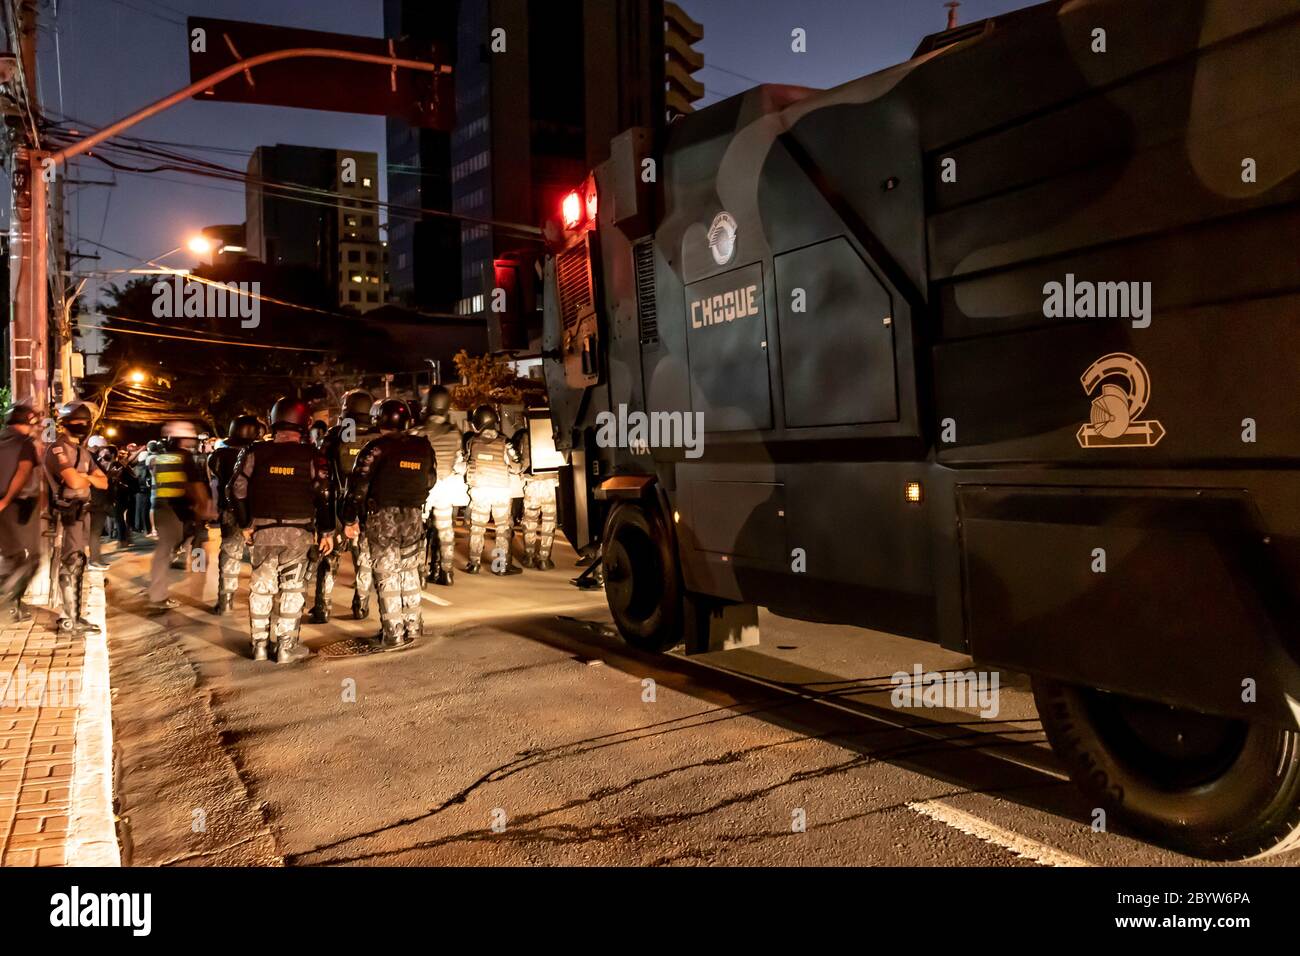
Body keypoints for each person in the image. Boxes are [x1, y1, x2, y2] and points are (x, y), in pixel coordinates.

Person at [229, 399, 333, 663]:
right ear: (305, 422)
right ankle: (286, 647)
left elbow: (236, 489)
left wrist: (244, 525)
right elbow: (325, 493)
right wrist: (328, 531)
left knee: (261, 588)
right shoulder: (312, 454)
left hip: (263, 531)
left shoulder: (254, 451)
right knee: (292, 589)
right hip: (299, 533)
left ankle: (259, 646)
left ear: (273, 419)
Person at [341, 399, 433, 650]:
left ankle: (393, 632)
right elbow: (431, 479)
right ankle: (414, 626)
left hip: (383, 518)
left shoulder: (374, 448)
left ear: (380, 420)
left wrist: (350, 519)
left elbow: (357, 488)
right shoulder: (423, 446)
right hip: (414, 517)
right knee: (410, 571)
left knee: (387, 575)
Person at [309, 389, 376, 623]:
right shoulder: (378, 437)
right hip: (367, 508)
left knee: (329, 558)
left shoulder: (335, 434)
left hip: (338, 506)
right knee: (364, 560)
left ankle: (323, 608)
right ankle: (361, 607)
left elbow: (321, 472)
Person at [43, 400, 109, 632]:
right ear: (64, 424)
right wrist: (86, 477)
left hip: (82, 511)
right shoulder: (57, 449)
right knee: (71, 563)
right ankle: (69, 618)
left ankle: (75, 615)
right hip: (66, 512)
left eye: (85, 422)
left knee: (79, 561)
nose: (82, 425)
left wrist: (85, 477)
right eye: (76, 422)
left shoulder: (83, 452)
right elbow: (72, 481)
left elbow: (104, 482)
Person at [147, 421, 213, 614]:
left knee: (173, 545)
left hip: (164, 506)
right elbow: (195, 485)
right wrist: (204, 506)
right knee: (167, 550)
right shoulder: (185, 457)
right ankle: (158, 595)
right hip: (177, 509)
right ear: (182, 439)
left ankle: (180, 568)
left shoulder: (163, 457)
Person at [206, 414, 263, 615]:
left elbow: (215, 482)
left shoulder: (218, 455)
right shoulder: (262, 454)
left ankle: (225, 601)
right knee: (260, 559)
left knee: (230, 555)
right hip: (258, 514)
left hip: (230, 511)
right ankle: (260, 604)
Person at [413, 386, 467, 586]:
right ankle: (447, 572)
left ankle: (420, 573)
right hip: (445, 485)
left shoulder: (419, 432)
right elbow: (459, 462)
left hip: (423, 488)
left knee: (418, 532)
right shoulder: (455, 433)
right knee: (445, 530)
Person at [462, 404, 523, 576]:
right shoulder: (505, 442)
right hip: (500, 491)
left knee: (477, 528)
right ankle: (501, 566)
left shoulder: (471, 442)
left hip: (480, 490)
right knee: (502, 529)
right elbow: (517, 465)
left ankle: (474, 564)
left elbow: (466, 462)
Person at [0, 403, 43, 621]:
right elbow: (24, 471)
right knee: (34, 557)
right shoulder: (24, 443)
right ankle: (5, 597)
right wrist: (7, 499)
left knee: (11, 555)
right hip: (21, 505)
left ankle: (13, 607)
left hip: (3, 508)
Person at [512, 424, 559, 570]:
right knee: (549, 522)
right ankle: (544, 559)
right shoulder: (556, 433)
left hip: (532, 483)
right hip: (551, 483)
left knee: (530, 521)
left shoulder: (524, 436)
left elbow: (518, 462)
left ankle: (529, 556)